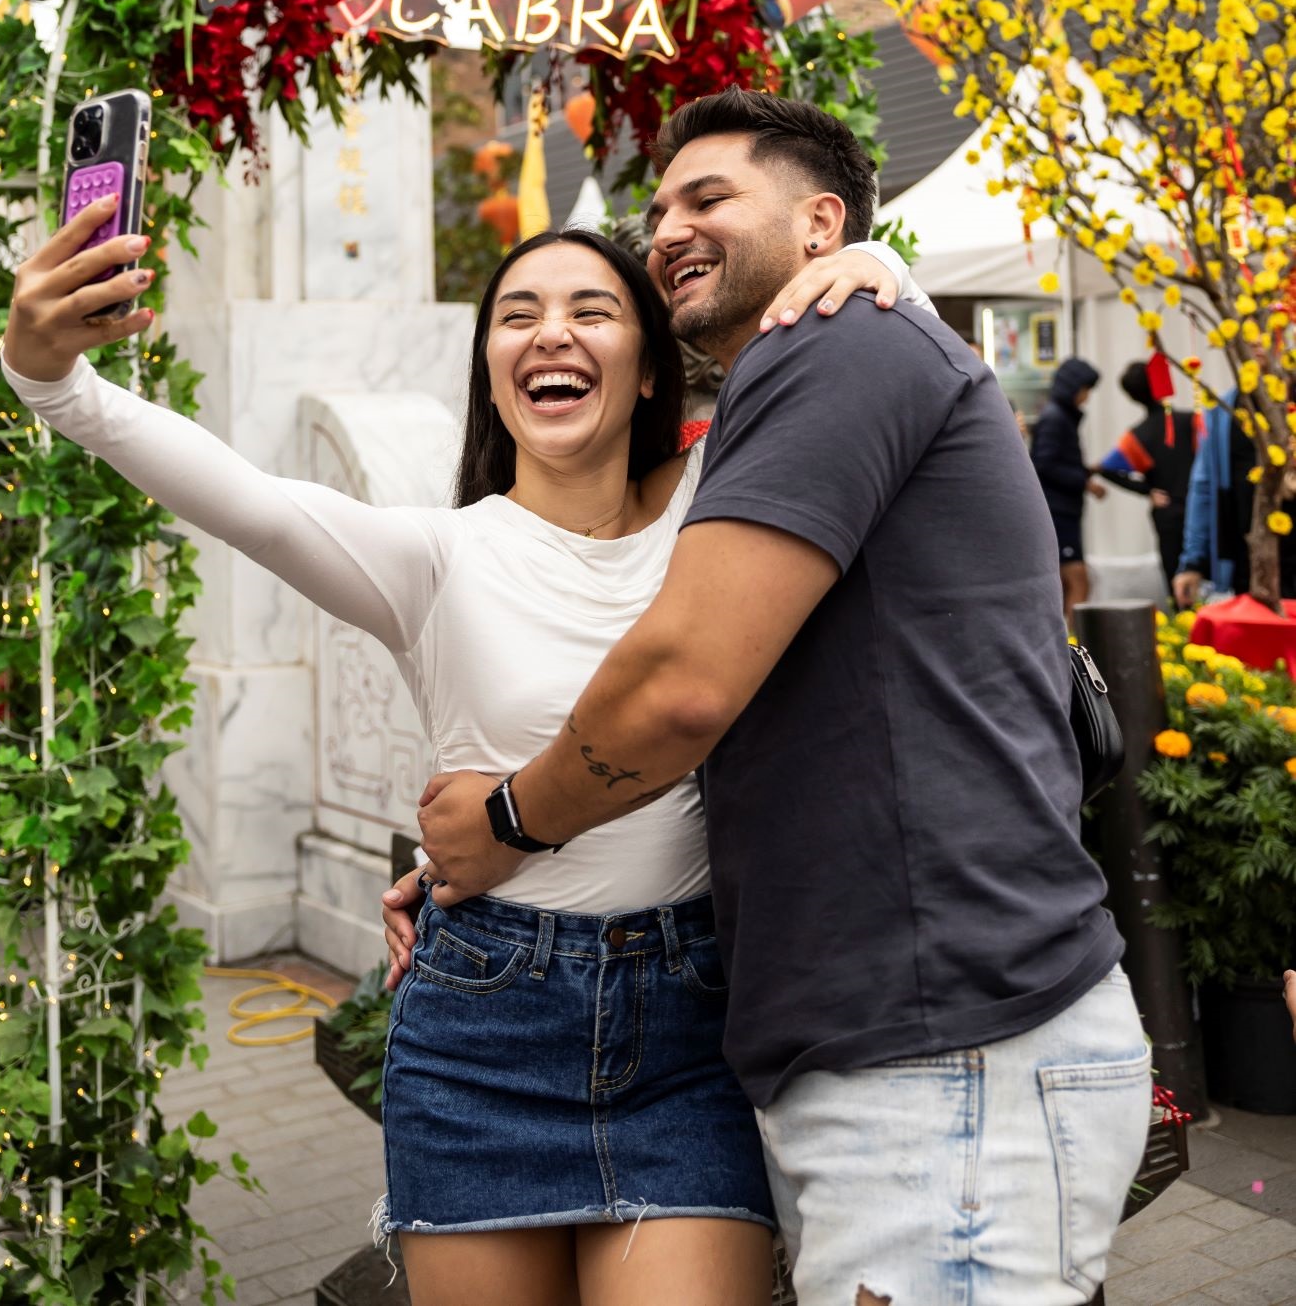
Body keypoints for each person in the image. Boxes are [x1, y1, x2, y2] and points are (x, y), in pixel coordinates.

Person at [1, 177, 925, 1306]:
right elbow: (239, 495)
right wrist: (49, 377)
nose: (551, 331)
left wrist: (875, 268)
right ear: (492, 367)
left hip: (694, 1027)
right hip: (479, 1037)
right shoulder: (430, 556)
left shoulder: (724, 509)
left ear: (648, 365)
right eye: (517, 313)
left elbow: (874, 373)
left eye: (593, 309)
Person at [411, 89, 1150, 1306]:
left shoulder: (841, 344)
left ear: (820, 225)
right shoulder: (818, 359)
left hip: (946, 1054)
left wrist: (504, 831)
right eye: (659, 209)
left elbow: (682, 687)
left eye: (710, 198)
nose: (668, 230)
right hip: (908, 1054)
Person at [1173, 389, 1296, 608]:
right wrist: (1192, 562)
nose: (1257, 352)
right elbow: (1203, 489)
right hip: (1244, 564)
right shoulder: (1222, 413)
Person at [1096, 361, 1198, 591]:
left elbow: (1106, 469)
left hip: (1168, 514)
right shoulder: (1191, 421)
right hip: (1199, 510)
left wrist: (1146, 491)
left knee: (1176, 581)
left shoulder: (1138, 435)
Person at [1030, 354, 1106, 621]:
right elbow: (1044, 464)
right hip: (1058, 513)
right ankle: (1070, 653)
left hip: (1062, 512)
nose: (1086, 397)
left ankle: (1062, 652)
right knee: (1078, 582)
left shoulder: (1058, 416)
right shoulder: (1055, 418)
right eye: (1085, 390)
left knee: (1065, 585)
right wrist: (1083, 481)